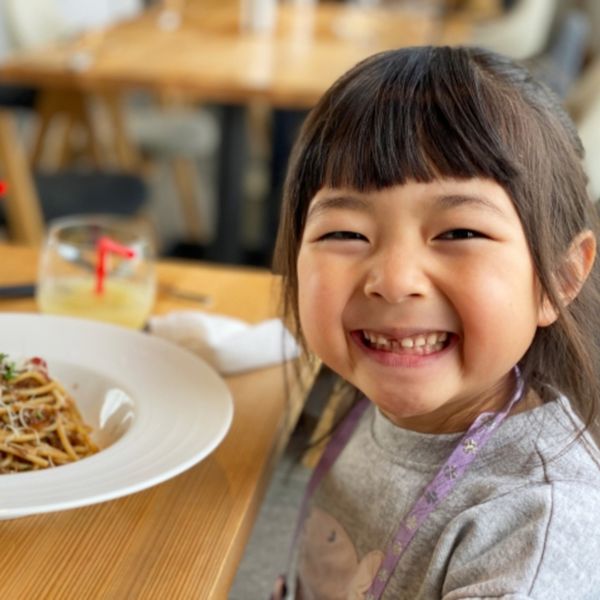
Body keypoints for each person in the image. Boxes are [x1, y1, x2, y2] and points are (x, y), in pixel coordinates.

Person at [272, 45, 600, 599]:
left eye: (459, 233)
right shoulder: (376, 381)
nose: (394, 280)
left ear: (559, 280)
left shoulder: (535, 528)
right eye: (345, 234)